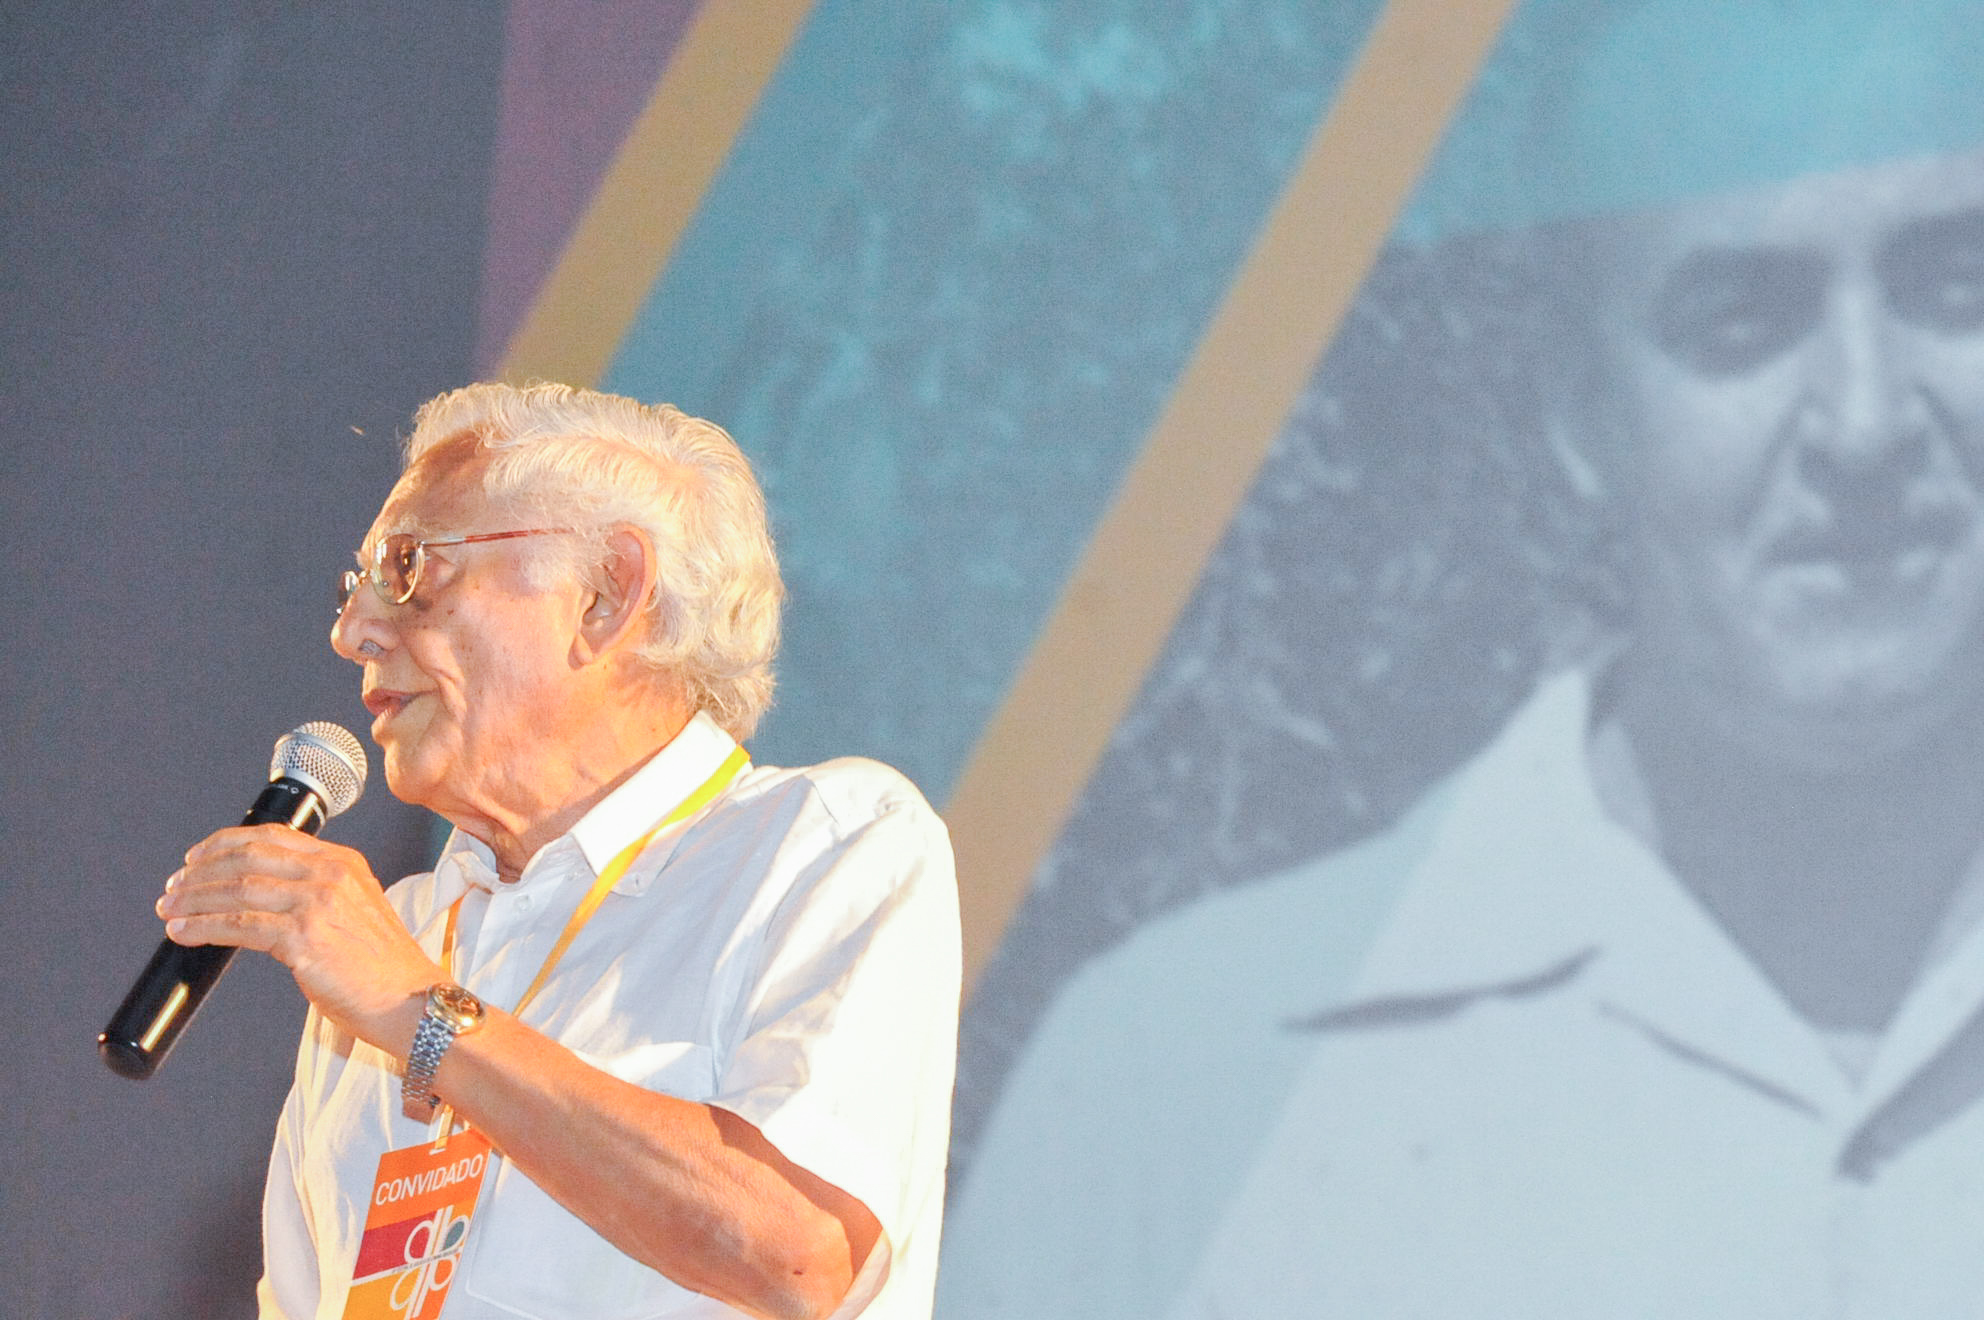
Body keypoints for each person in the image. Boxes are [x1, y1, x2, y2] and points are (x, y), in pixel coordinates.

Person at [937, 4, 1984, 1317]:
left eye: (1953, 288)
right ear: (1582, 414)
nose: (1866, 422)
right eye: (1738, 323)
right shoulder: (1172, 1086)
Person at [153, 382, 960, 1320]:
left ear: (607, 593)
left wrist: (419, 1013)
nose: (353, 631)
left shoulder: (823, 844)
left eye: (410, 568)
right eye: (356, 585)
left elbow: (795, 1256)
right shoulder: (402, 929)